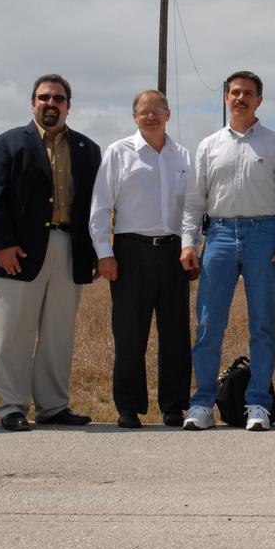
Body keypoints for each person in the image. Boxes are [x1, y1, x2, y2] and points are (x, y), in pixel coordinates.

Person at [179, 71, 275, 432]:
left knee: (263, 325)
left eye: (248, 93)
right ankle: (202, 403)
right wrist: (189, 243)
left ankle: (257, 404)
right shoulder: (208, 146)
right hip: (218, 235)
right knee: (208, 324)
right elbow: (193, 203)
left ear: (259, 100)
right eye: (234, 93)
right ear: (225, 98)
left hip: (264, 234)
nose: (240, 98)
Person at [0, 74, 102, 432]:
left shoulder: (87, 149)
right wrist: (1, 244)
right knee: (14, 333)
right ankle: (11, 407)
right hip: (18, 252)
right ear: (33, 102)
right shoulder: (7, 143)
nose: (51, 104)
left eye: (59, 98)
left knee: (58, 332)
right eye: (44, 98)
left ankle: (52, 406)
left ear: (68, 105)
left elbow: (97, 204)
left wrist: (95, 251)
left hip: (69, 248)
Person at [89, 89, 192, 429]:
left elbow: (193, 209)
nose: (151, 117)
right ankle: (128, 407)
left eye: (157, 111)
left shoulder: (183, 157)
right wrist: (104, 253)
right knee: (130, 334)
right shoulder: (119, 153)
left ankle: (174, 406)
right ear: (134, 117)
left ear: (168, 114)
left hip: (174, 252)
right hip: (131, 251)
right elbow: (101, 208)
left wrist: (193, 246)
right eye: (144, 112)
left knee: (176, 334)